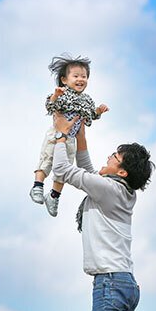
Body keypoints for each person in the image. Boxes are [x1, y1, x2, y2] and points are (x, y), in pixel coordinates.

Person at [51, 112, 154, 311]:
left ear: (121, 172)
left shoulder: (110, 191)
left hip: (110, 283)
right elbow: (86, 169)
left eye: (114, 156)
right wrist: (80, 133)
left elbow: (63, 170)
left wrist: (59, 134)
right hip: (123, 283)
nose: (108, 157)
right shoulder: (117, 191)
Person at [29, 54, 109, 217]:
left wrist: (98, 111)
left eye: (84, 76)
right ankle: (37, 185)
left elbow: (90, 115)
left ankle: (54, 196)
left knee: (64, 167)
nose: (81, 79)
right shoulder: (62, 93)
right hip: (56, 133)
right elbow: (50, 106)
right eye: (76, 76)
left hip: (71, 139)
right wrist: (56, 95)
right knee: (48, 158)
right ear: (65, 80)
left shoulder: (87, 100)